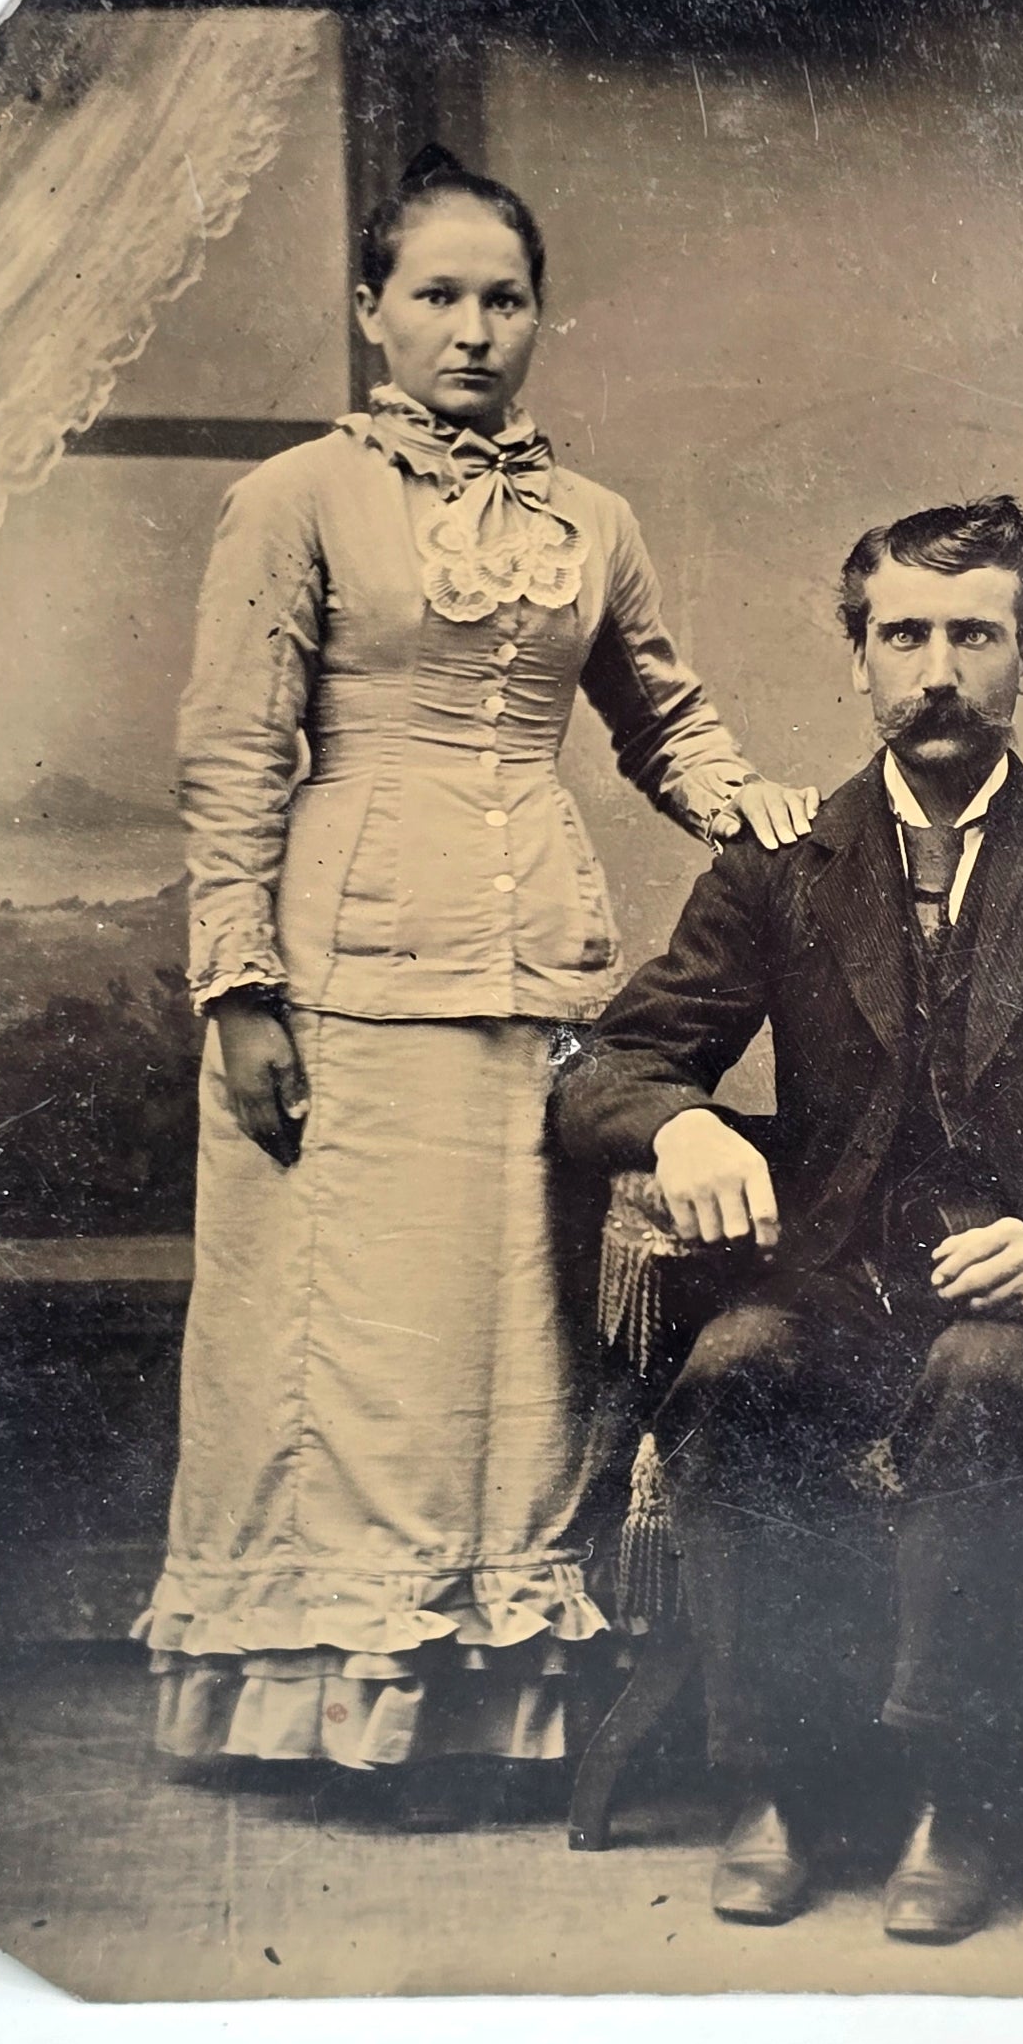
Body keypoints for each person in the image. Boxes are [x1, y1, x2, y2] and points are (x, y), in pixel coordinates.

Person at [135, 145, 818, 1821]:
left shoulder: (595, 521)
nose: (472, 330)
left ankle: (489, 1723)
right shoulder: (295, 497)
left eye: (503, 299)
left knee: (511, 1346)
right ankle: (339, 1721)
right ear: (372, 311)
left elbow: (663, 717)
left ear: (538, 318)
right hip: (340, 978)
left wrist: (768, 807)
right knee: (354, 1348)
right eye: (435, 295)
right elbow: (232, 754)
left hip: (535, 972)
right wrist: (239, 990)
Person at [552, 496, 1023, 1937]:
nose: (938, 669)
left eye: (974, 634)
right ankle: (774, 1787)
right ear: (857, 659)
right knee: (736, 1372)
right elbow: (605, 1062)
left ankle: (961, 1799)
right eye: (904, 634)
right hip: (837, 1285)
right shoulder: (779, 867)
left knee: (985, 1381)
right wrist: (676, 1117)